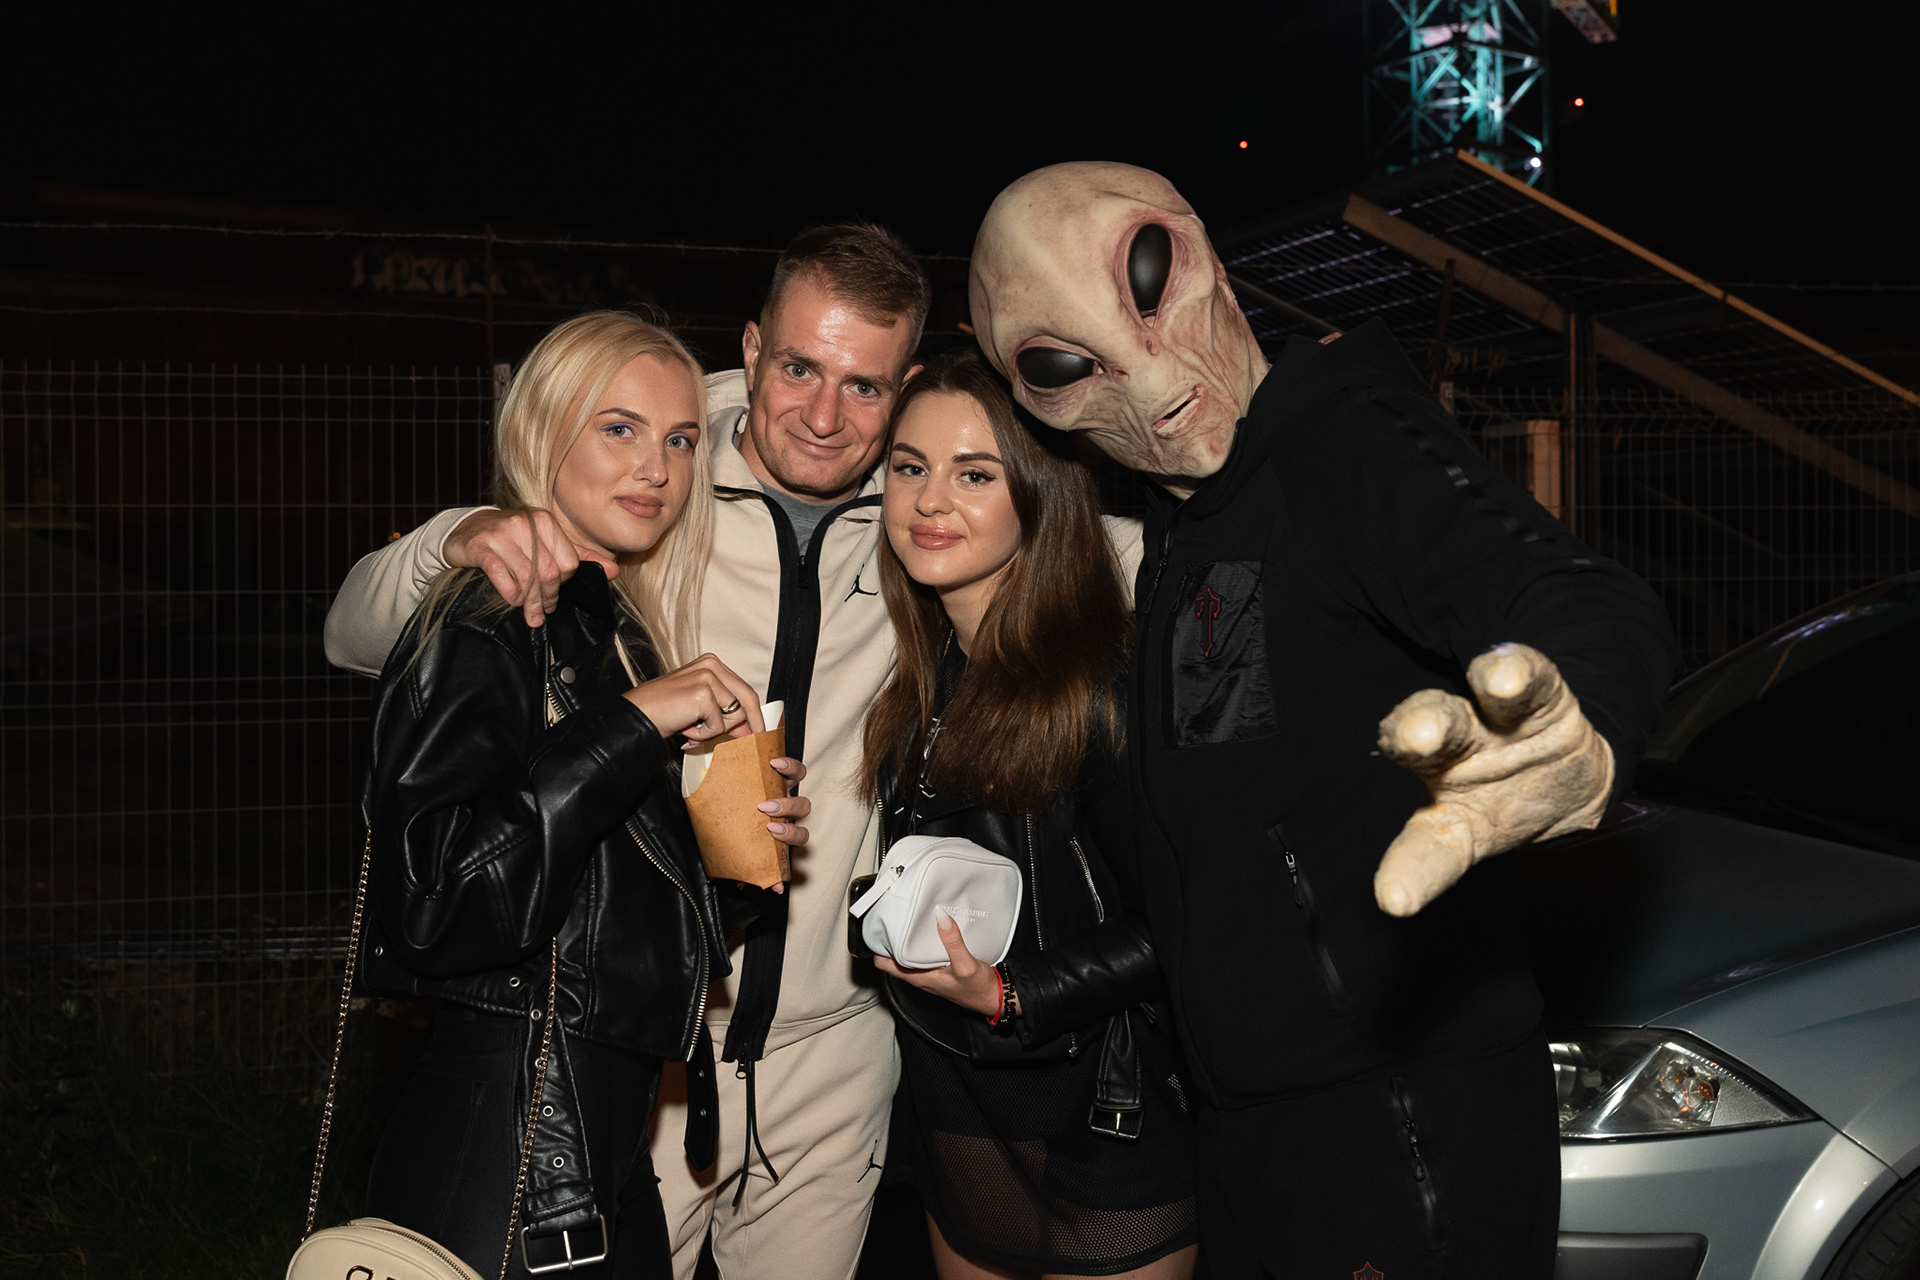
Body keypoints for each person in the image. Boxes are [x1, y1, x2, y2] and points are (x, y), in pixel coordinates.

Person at [968, 163, 1678, 1279]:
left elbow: (1569, 592)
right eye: (1064, 363)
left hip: (1397, 1120)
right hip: (1265, 1133)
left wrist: (1574, 719)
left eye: (1145, 283)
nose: (1146, 377)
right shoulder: (1193, 528)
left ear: (1202, 253)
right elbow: (1229, 818)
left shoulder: (1339, 437)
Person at [327, 226, 936, 1280]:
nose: (824, 414)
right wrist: (460, 535)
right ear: (752, 350)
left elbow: (1080, 557)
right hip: (630, 1052)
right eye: (799, 367)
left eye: (865, 385)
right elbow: (356, 637)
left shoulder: (933, 507)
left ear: (905, 388)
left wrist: (739, 862)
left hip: (827, 1047)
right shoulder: (641, 483)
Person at [355, 312, 814, 1277]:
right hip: (514, 1148)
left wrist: (736, 858)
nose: (656, 467)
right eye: (619, 428)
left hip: (596, 1146)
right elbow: (437, 903)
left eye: (680, 440)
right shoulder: (489, 615)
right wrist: (634, 725)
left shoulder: (608, 629)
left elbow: (594, 915)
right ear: (543, 433)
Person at [859, 351, 1197, 1280]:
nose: (931, 501)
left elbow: (1180, 918)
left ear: (1040, 496)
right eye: (910, 467)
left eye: (975, 474)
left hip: (1104, 1117)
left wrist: (1016, 994)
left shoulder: (1102, 683)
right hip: (959, 1112)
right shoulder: (922, 675)